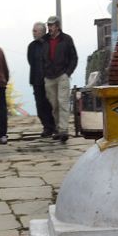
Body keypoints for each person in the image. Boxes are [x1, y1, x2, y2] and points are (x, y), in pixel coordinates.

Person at [41, 15, 77, 144]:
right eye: (48, 25)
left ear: (57, 26)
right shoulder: (44, 40)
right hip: (49, 77)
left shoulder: (66, 39)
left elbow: (74, 57)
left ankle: (63, 130)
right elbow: (40, 58)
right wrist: (43, 72)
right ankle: (58, 129)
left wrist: (68, 72)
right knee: (54, 105)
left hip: (62, 75)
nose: (49, 27)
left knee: (63, 103)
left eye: (51, 25)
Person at [27, 21, 56, 138]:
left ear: (42, 32)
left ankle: (54, 126)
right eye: (33, 31)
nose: (33, 33)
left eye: (35, 31)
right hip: (37, 80)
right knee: (40, 105)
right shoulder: (32, 46)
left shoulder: (50, 43)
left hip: (50, 79)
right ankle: (47, 127)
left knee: (51, 104)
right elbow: (31, 61)